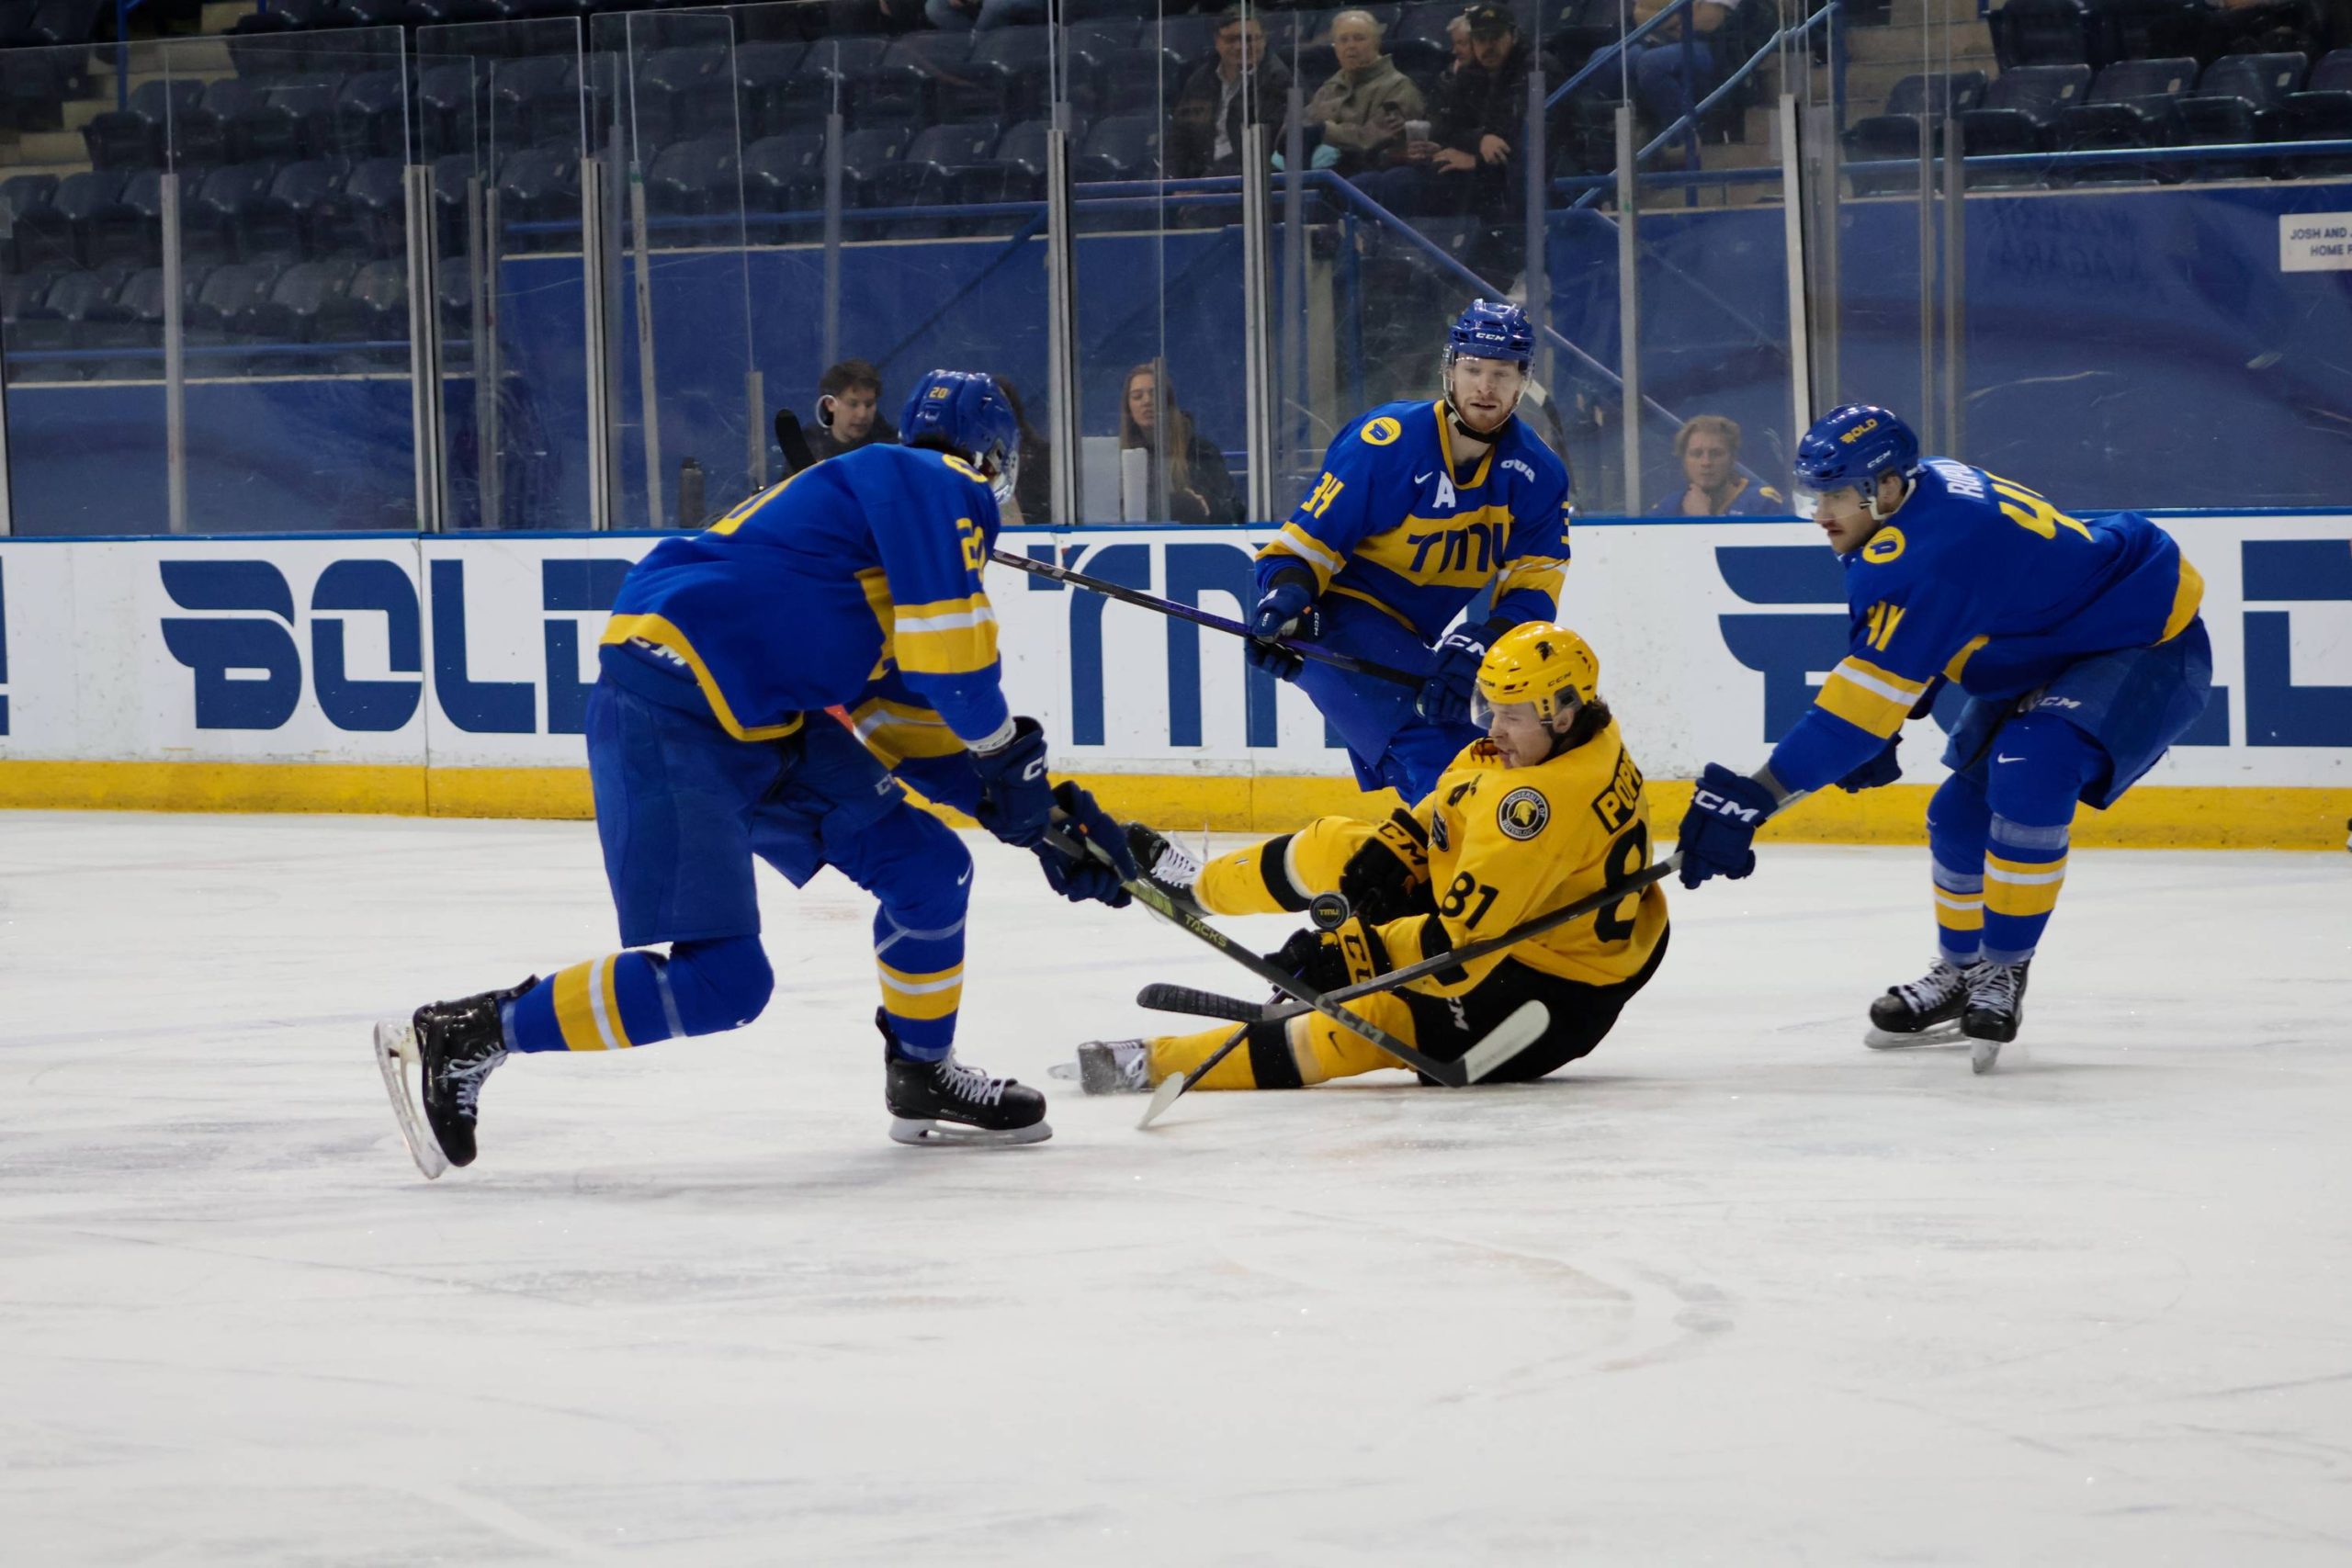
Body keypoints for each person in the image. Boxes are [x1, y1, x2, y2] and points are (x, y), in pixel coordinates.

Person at [372, 371, 1138, 1175]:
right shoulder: (929, 480)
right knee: (725, 983)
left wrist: (1041, 820)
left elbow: (908, 727)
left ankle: (921, 1073)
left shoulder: (876, 554)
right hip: (668, 709)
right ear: (993, 460)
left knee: (929, 869)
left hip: (766, 717)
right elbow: (958, 674)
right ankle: (469, 1032)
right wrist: (1006, 759)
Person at [1673, 403, 2212, 1074]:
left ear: (1887, 487)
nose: (1821, 513)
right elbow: (1953, 615)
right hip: (2054, 638)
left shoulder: (1925, 548)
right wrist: (1899, 707)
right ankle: (1961, 972)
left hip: (2145, 637)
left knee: (2031, 766)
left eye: (1837, 494)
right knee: (1956, 813)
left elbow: (1854, 715)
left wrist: (1755, 798)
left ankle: (2004, 970)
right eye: (1816, 494)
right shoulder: (1919, 496)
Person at [1080, 624, 1668, 1095]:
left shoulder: (1536, 807)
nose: (1494, 728)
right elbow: (1464, 791)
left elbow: (1456, 956)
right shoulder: (1576, 737)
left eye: (1509, 715)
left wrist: (1345, 957)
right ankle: (1197, 891)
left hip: (1548, 991)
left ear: (1560, 714)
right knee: (1338, 845)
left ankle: (1155, 1064)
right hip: (1528, 921)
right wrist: (1402, 841)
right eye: (1489, 707)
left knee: (1370, 1021)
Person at [1235, 299, 1571, 803]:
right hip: (1338, 618)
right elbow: (1302, 549)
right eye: (1473, 368)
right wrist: (1287, 600)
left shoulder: (1539, 474)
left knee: (1467, 752)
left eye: (1502, 373)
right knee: (1446, 757)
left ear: (1523, 381)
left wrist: (1481, 644)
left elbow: (1533, 589)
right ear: (1448, 370)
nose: (1485, 386)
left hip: (1410, 637)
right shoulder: (1386, 443)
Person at [1355, 5, 1527, 234]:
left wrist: (1479, 161)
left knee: (1399, 184)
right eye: (1481, 39)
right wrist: (1475, 142)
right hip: (1468, 167)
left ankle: (1401, 256)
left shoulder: (1534, 70)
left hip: (1500, 179)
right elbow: (1447, 128)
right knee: (1360, 185)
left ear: (1513, 36)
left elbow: (1526, 140)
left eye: (1495, 37)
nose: (1488, 46)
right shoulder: (1471, 74)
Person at [1168, 6, 1294, 181]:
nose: (1241, 47)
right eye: (1231, 39)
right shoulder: (1200, 80)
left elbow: (1266, 149)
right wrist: (1176, 182)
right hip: (1199, 180)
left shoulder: (1280, 80)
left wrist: (1206, 184)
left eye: (1249, 39)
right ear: (1217, 42)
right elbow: (1179, 137)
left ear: (1264, 39)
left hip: (1252, 185)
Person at [1301, 10, 1425, 175]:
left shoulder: (1399, 88)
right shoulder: (1330, 87)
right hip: (1321, 175)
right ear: (1336, 47)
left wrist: (1324, 131)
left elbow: (1370, 140)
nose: (1351, 45)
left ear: (1376, 42)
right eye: (1343, 40)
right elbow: (1298, 127)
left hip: (1367, 176)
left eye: (1359, 38)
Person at [1119, 360, 1242, 525]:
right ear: (1128, 407)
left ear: (1168, 402)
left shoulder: (1200, 451)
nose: (1147, 401)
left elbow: (1233, 511)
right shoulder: (1119, 456)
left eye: (1155, 394)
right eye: (1137, 396)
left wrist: (1206, 505)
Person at [1620, 0, 1743, 143]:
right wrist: (1682, 13)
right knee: (1607, 60)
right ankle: (1623, 150)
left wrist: (1660, 18)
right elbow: (1639, 14)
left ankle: (1685, 140)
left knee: (1652, 63)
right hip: (1653, 43)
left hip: (1709, 48)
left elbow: (1709, 20)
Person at [1650, 414, 1788, 516]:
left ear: (1732, 459)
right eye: (1697, 454)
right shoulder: (1670, 506)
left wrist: (1701, 520)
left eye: (1716, 454)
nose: (1706, 462)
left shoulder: (1762, 503)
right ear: (1684, 461)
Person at [811, 358, 896, 461]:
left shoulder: (892, 449)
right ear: (830, 403)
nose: (862, 414)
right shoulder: (807, 449)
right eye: (853, 404)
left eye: (869, 405)